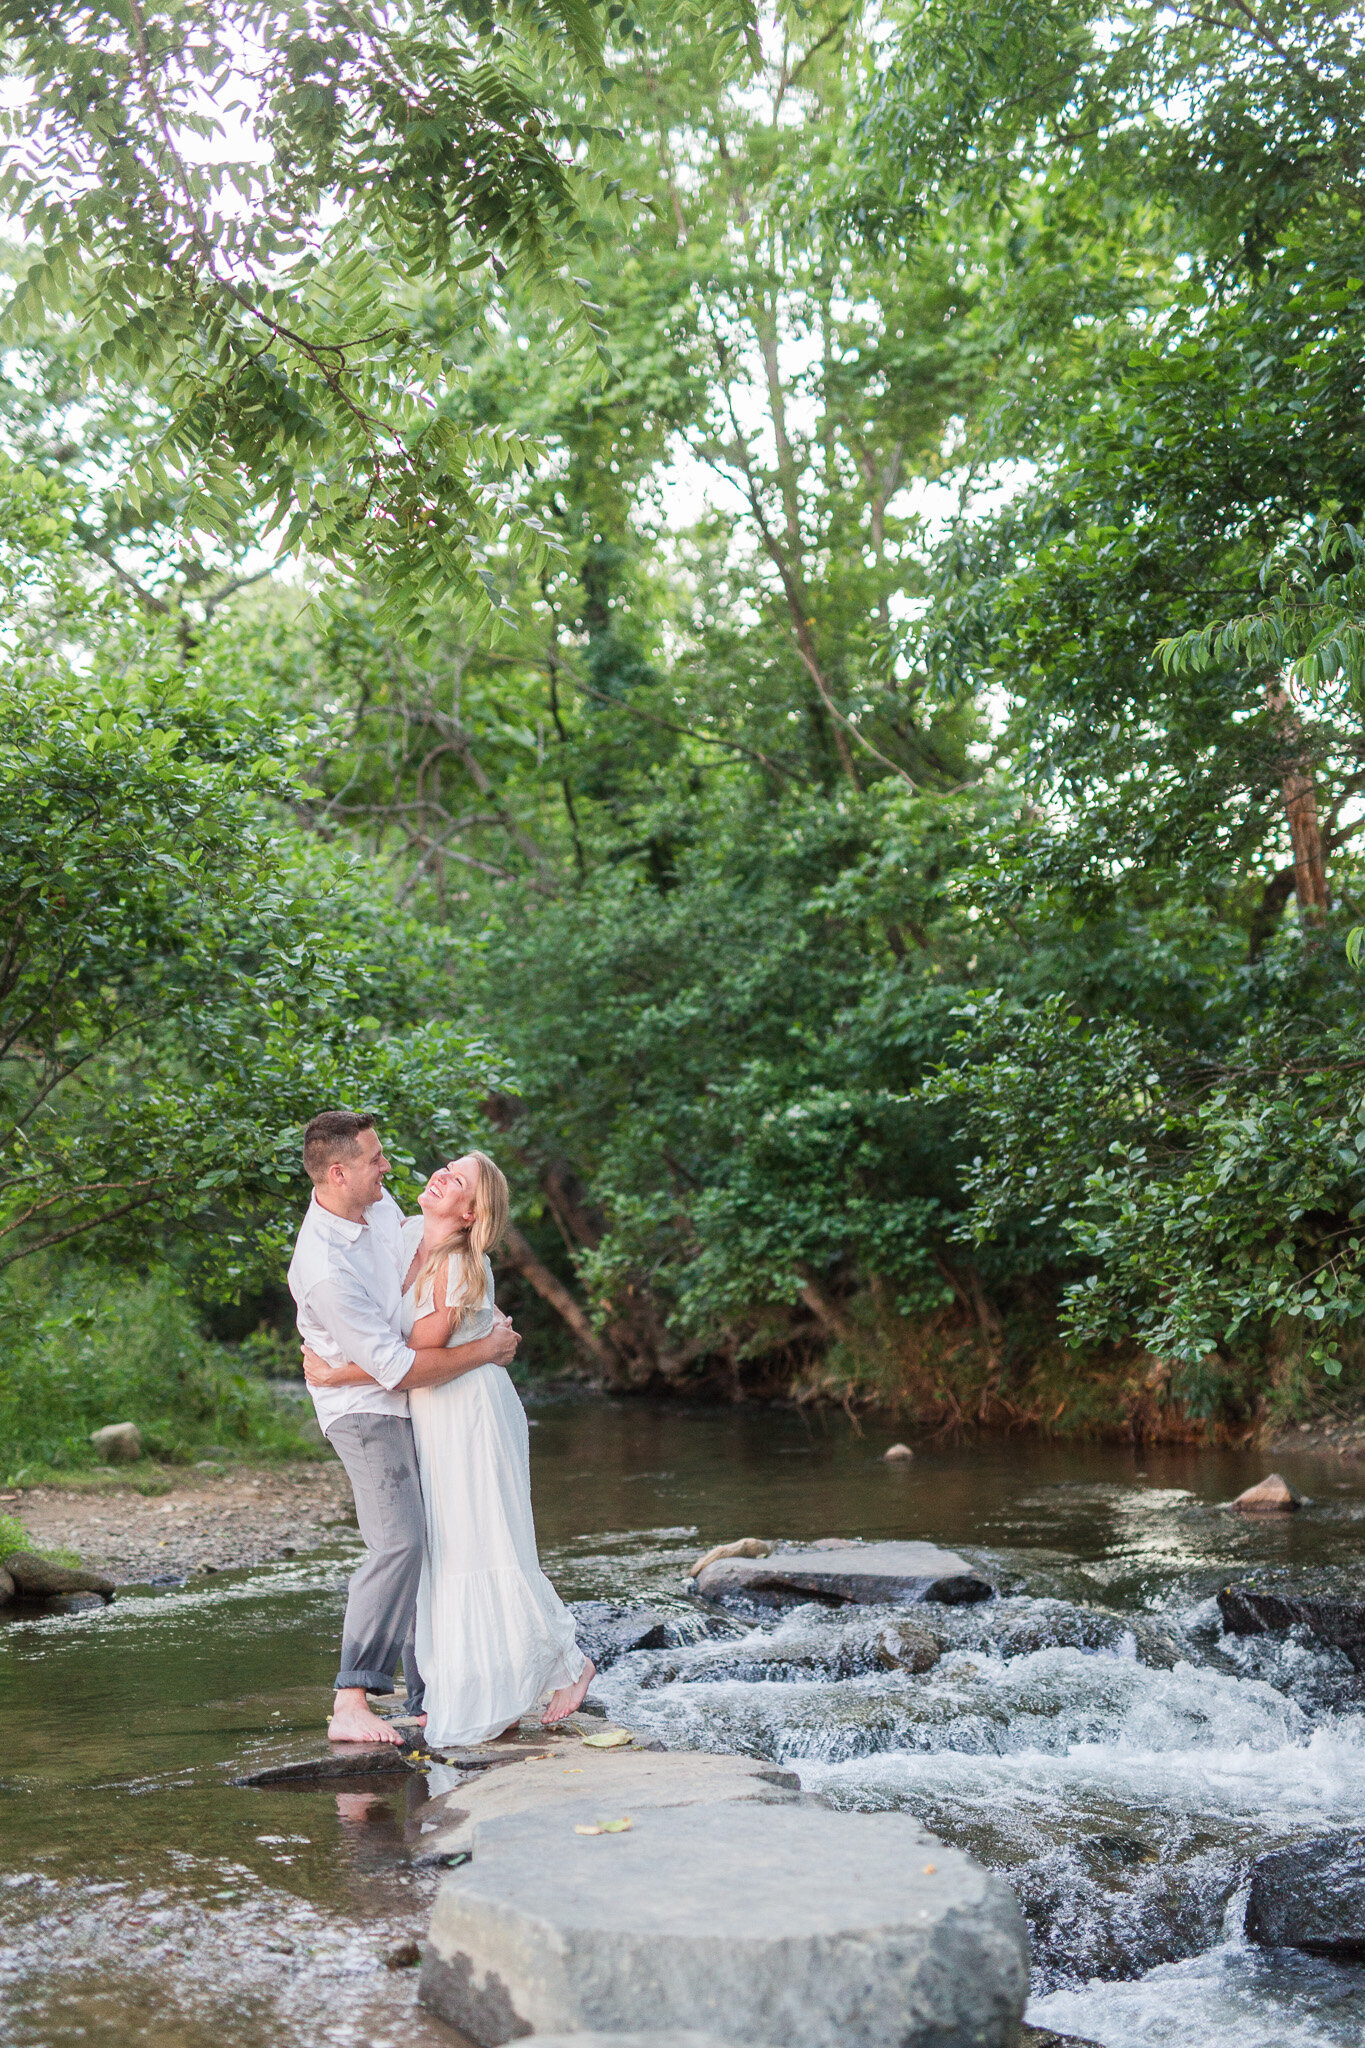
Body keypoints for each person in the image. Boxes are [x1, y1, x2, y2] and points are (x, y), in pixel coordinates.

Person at [303, 1148, 595, 1744]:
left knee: (486, 1540)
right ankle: (467, 1684)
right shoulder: (403, 1231)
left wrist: (336, 1373)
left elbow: (408, 1354)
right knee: (448, 1550)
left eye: (457, 1180)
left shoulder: (461, 1263)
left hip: (466, 1408)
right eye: (448, 1168)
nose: (439, 1176)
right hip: (433, 1407)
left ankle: (569, 1663)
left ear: (471, 1211)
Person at [287, 1111, 522, 1747]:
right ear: (339, 1173)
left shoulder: (381, 1206)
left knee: (435, 1540)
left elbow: (432, 1257)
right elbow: (394, 1368)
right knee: (398, 1543)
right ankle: (352, 1698)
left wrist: (474, 1313)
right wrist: (487, 1349)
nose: (387, 1168)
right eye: (374, 1159)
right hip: (367, 1409)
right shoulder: (325, 1269)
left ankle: (426, 1692)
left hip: (420, 1399)